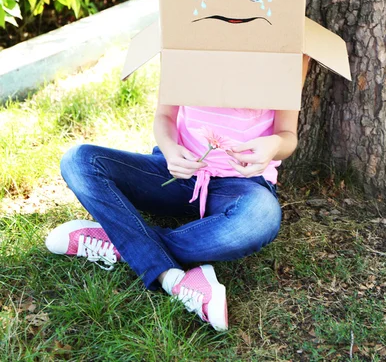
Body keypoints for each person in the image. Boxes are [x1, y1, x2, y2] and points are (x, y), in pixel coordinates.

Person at [46, 55, 310, 331]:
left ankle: (123, 242)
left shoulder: (289, 51)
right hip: (175, 173)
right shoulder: (185, 38)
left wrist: (274, 144)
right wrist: (171, 150)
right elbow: (165, 116)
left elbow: (287, 134)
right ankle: (171, 274)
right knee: (79, 161)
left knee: (262, 216)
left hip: (240, 185)